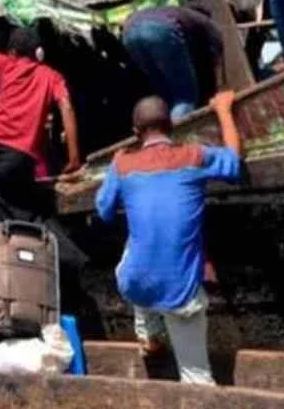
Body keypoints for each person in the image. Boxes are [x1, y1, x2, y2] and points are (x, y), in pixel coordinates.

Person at [95, 92, 243, 385]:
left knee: (136, 248)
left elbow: (104, 211)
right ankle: (153, 331)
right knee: (196, 377)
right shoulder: (193, 155)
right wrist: (223, 110)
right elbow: (234, 163)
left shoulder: (122, 164)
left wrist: (117, 169)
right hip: (180, 292)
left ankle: (148, 331)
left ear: (136, 133)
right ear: (172, 127)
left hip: (136, 284)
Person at [0, 27, 81, 223]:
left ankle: (5, 239)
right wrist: (74, 157)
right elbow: (67, 108)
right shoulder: (51, 76)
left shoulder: (7, 63)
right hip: (16, 158)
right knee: (29, 213)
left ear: (14, 52)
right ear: (39, 53)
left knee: (4, 205)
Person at [121, 5, 224, 122]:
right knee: (184, 97)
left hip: (129, 34)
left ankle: (162, 132)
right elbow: (217, 47)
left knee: (166, 96)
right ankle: (180, 135)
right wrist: (219, 86)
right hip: (160, 29)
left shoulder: (176, 13)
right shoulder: (205, 21)